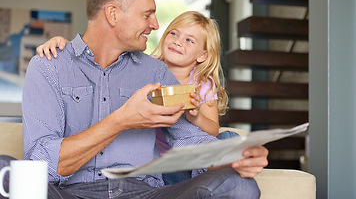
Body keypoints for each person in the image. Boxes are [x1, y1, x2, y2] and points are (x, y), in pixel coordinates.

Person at [0, 0, 268, 199]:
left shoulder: (156, 71)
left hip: (144, 193)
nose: (155, 24)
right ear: (113, 14)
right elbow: (40, 163)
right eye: (147, 14)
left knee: (237, 185)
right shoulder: (49, 67)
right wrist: (122, 120)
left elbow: (190, 138)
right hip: (70, 193)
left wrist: (234, 156)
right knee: (3, 169)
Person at [37, 11, 239, 185]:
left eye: (189, 40)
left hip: (191, 154)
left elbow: (212, 129)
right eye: (174, 33)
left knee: (230, 139)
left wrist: (196, 118)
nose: (178, 41)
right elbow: (99, 55)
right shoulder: (146, 69)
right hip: (161, 160)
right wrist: (65, 48)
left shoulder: (202, 84)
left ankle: (214, 179)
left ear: (202, 55)